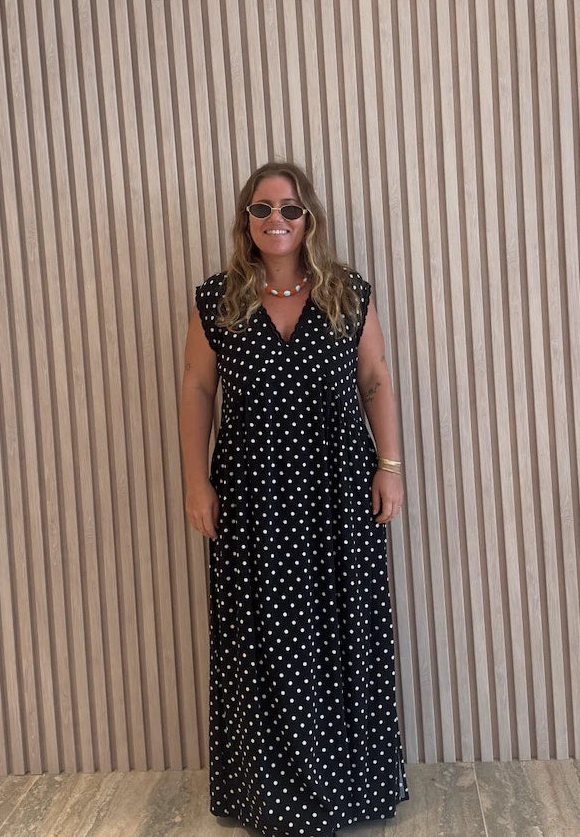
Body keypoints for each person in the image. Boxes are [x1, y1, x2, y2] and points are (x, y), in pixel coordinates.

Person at [179, 161, 409, 837]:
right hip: (251, 496)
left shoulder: (347, 292)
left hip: (338, 492)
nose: (275, 219)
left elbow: (375, 378)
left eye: (288, 208)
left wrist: (390, 467)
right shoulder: (218, 299)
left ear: (309, 219)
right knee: (262, 641)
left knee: (343, 634)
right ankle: (269, 797)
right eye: (262, 208)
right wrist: (196, 483)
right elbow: (196, 387)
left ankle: (348, 788)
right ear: (245, 220)